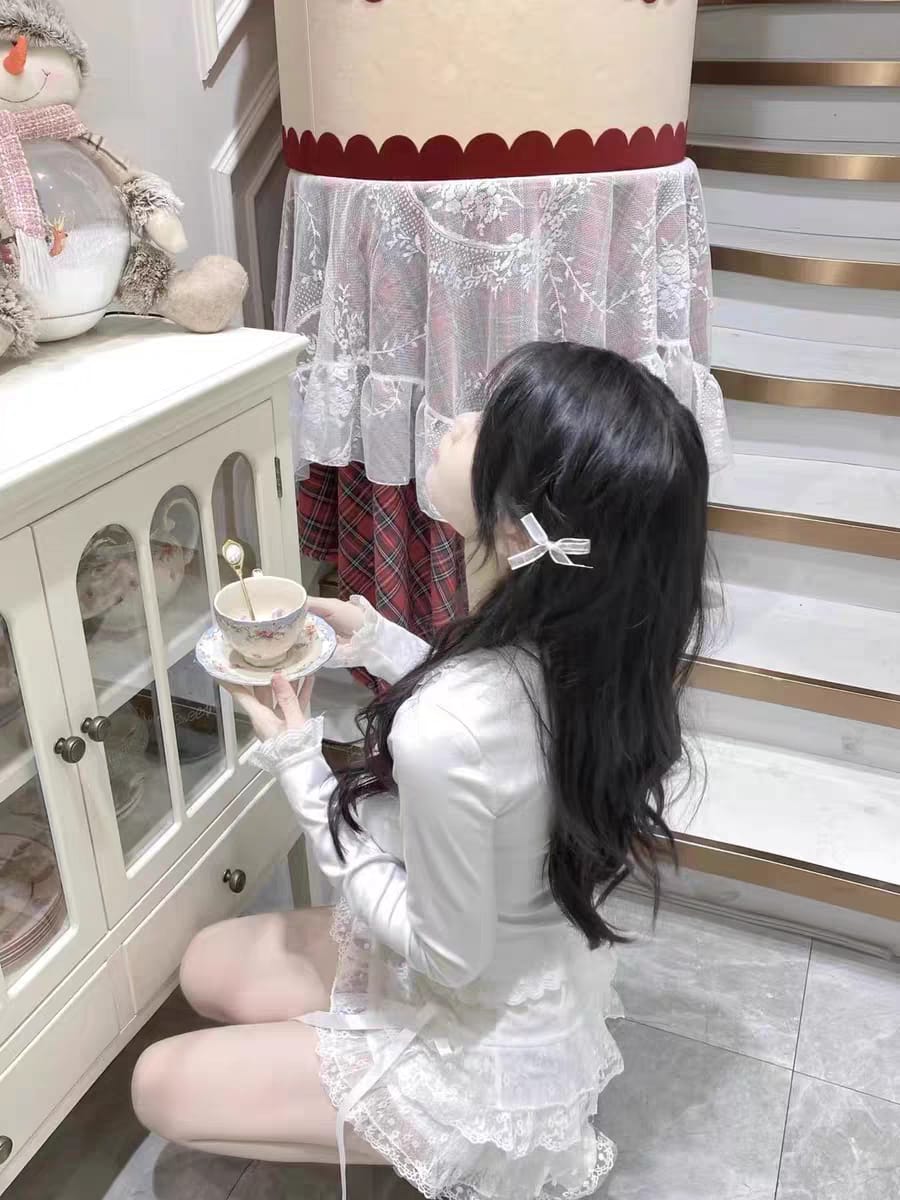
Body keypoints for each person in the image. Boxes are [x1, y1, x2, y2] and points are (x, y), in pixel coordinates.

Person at [131, 342, 710, 1200]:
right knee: (207, 966)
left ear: (514, 531)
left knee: (157, 1085)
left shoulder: (451, 726)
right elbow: (508, 726)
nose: (458, 422)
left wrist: (300, 765)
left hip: (478, 1049)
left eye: (486, 428)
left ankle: (449, 1151)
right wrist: (376, 641)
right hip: (519, 960)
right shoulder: (595, 637)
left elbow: (450, 957)